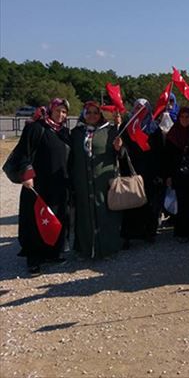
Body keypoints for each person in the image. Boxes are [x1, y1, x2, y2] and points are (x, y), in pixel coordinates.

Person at [11, 98, 71, 275]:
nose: (61, 114)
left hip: (59, 184)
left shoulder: (64, 132)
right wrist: (27, 175)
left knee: (57, 217)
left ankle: (53, 252)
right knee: (36, 221)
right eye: (58, 110)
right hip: (38, 185)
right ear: (51, 110)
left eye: (64, 112)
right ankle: (34, 259)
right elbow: (23, 153)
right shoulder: (36, 128)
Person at [70, 101, 123, 259]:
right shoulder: (77, 133)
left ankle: (106, 249)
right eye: (89, 112)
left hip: (103, 181)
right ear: (84, 114)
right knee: (85, 215)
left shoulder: (110, 131)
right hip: (82, 182)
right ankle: (86, 249)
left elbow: (121, 156)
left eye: (95, 112)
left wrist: (120, 149)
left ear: (100, 115)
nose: (92, 115)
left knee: (105, 214)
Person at [119, 99, 164, 248]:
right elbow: (121, 146)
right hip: (131, 170)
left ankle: (149, 232)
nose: (140, 110)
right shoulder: (126, 127)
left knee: (149, 203)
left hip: (150, 172)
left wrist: (159, 173)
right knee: (130, 202)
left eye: (143, 108)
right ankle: (129, 234)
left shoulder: (154, 129)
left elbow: (159, 152)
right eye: (137, 107)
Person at [163, 107, 189, 241]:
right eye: (182, 117)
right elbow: (167, 158)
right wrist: (168, 176)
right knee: (181, 204)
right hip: (177, 174)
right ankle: (182, 233)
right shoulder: (172, 134)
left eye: (187, 117)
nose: (184, 119)